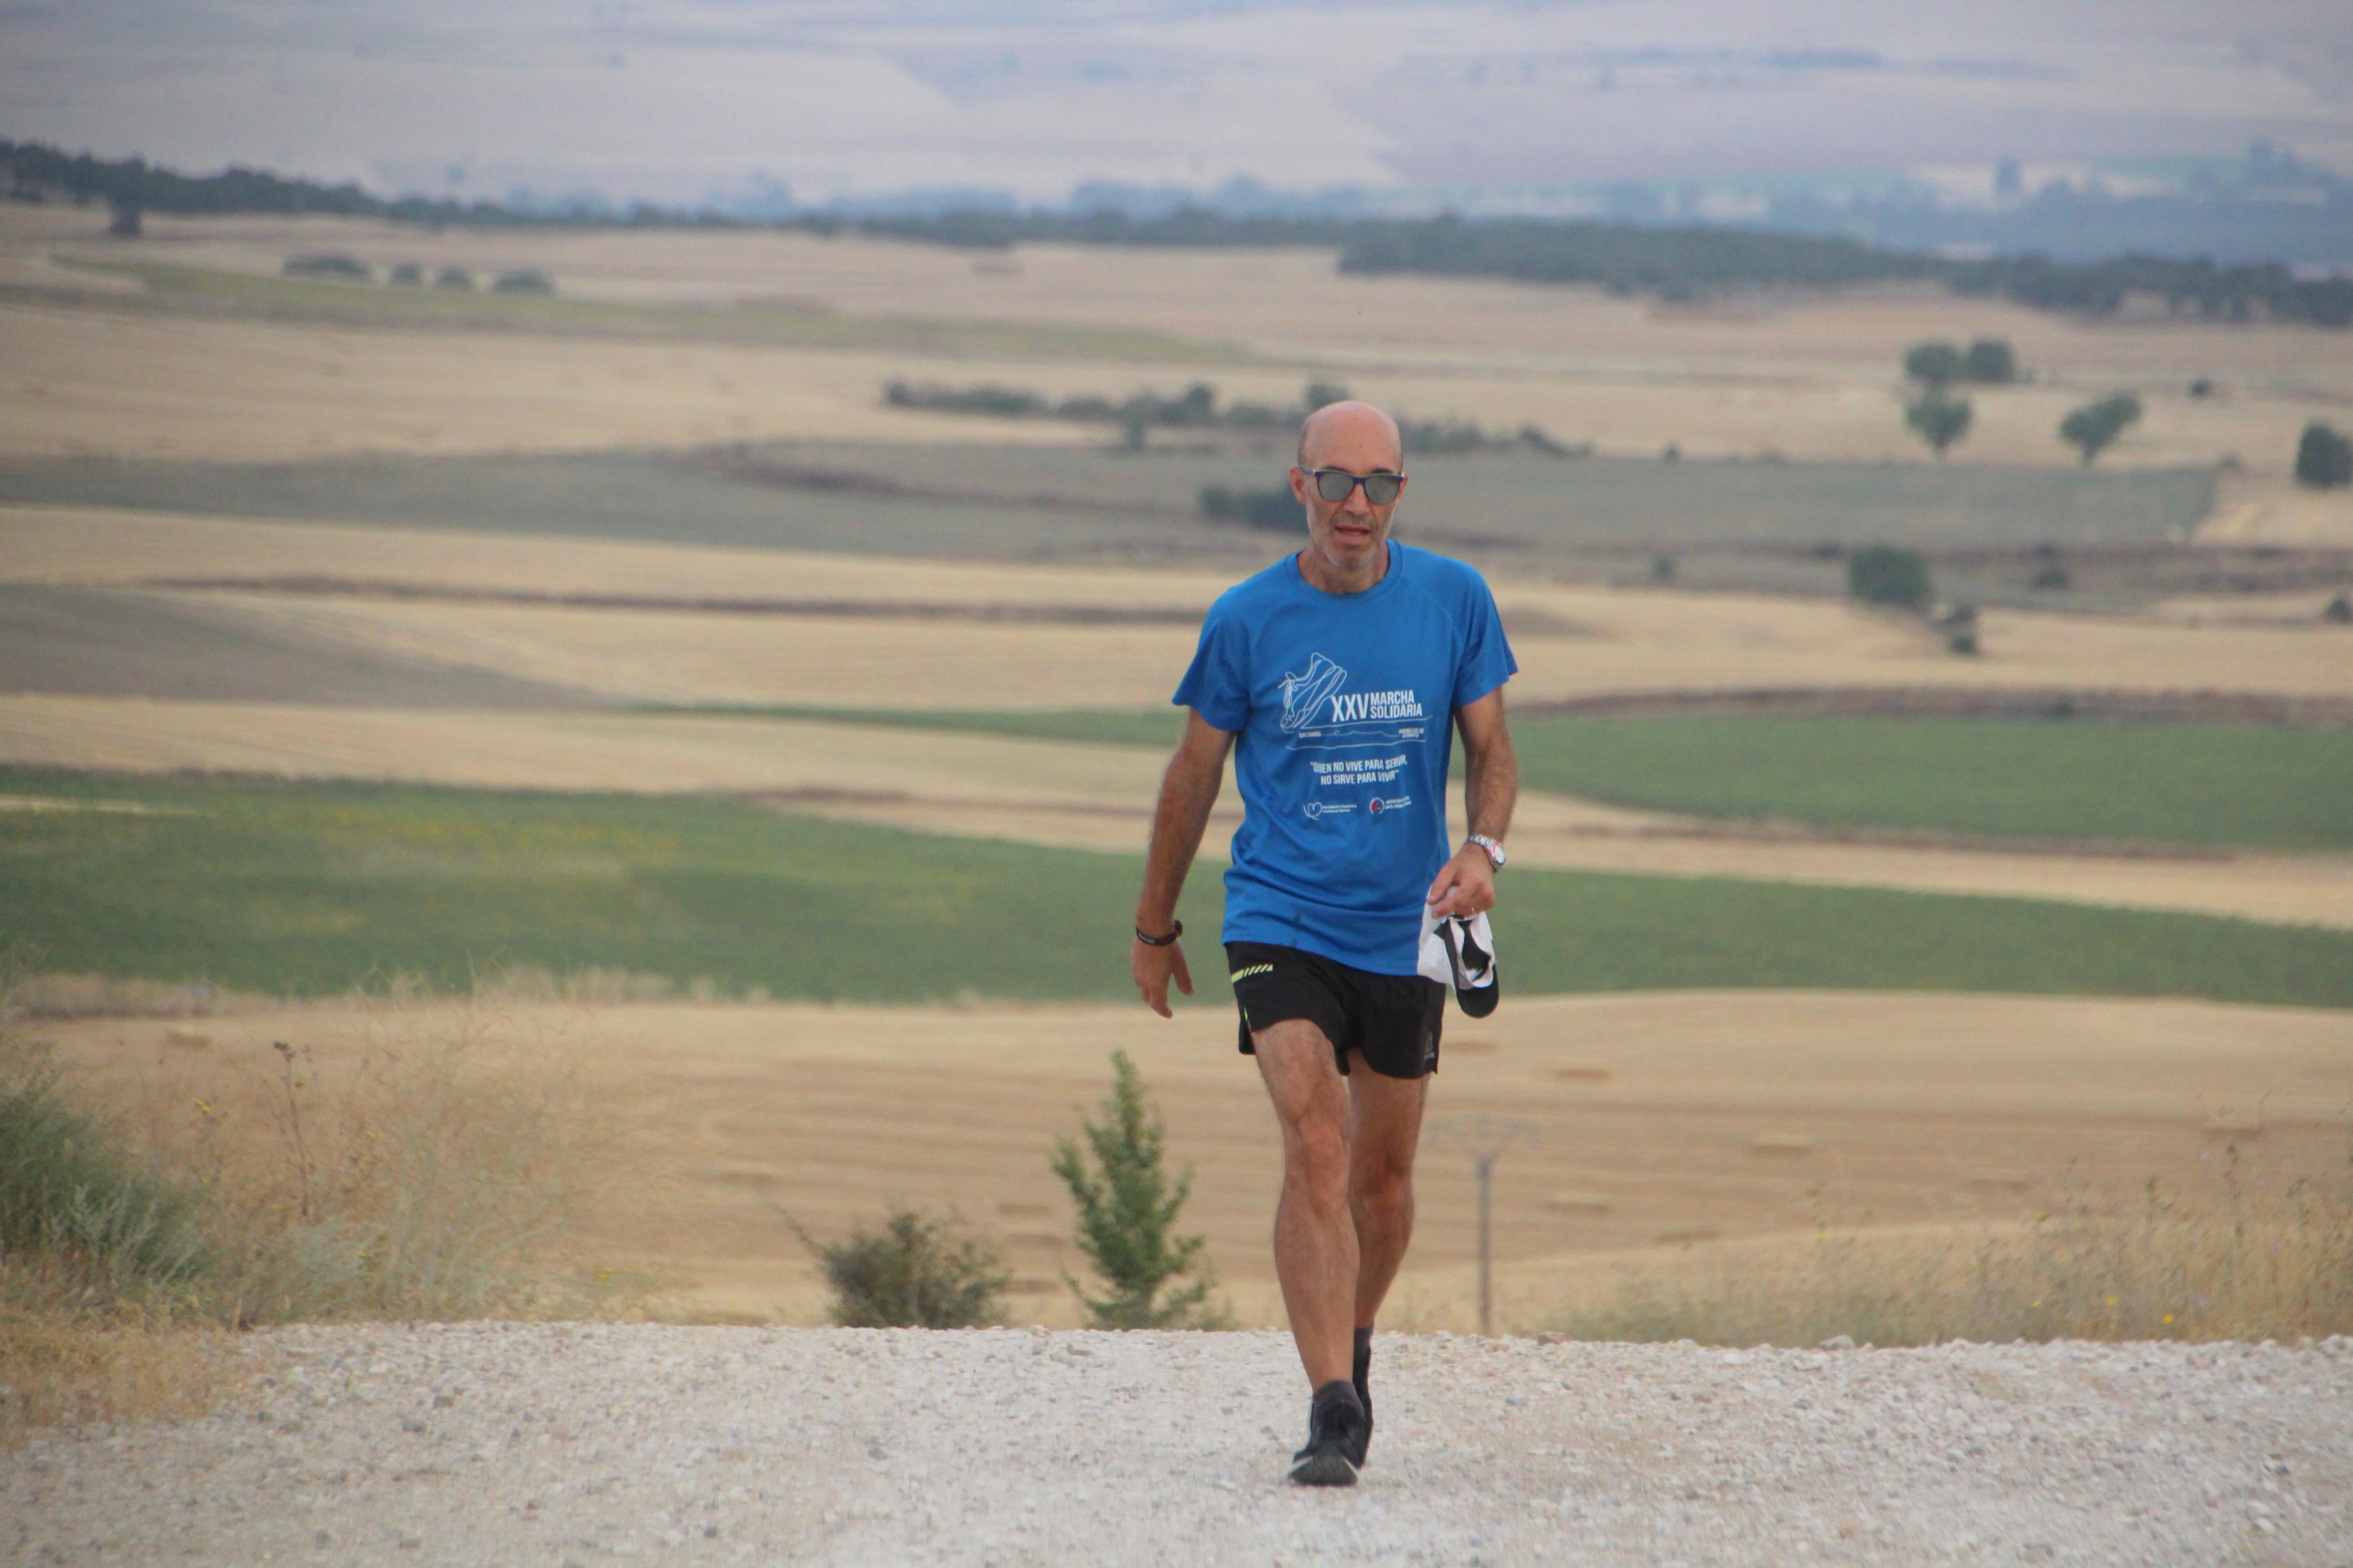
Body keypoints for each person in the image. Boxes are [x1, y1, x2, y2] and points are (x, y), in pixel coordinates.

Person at [1129, 401, 1518, 1486]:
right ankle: (1333, 1409)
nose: (1357, 504)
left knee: (1384, 1186)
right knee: (1318, 1144)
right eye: (1336, 482)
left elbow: (1493, 747)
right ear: (1296, 486)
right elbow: (1194, 775)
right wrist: (1154, 926)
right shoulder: (1245, 620)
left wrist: (1484, 850)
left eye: (1378, 484)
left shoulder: (1454, 599)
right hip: (1278, 916)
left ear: (1403, 493)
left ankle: (1350, 1340)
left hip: (1405, 928)